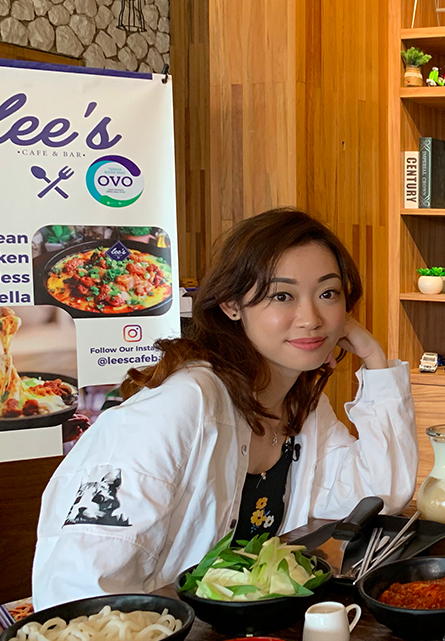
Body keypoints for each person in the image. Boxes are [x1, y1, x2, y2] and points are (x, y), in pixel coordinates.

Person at [33, 209, 419, 607]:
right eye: (282, 296)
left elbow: (380, 495)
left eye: (327, 294)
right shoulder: (183, 404)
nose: (311, 319)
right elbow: (78, 583)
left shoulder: (301, 404)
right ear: (232, 304)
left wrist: (374, 358)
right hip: (157, 637)